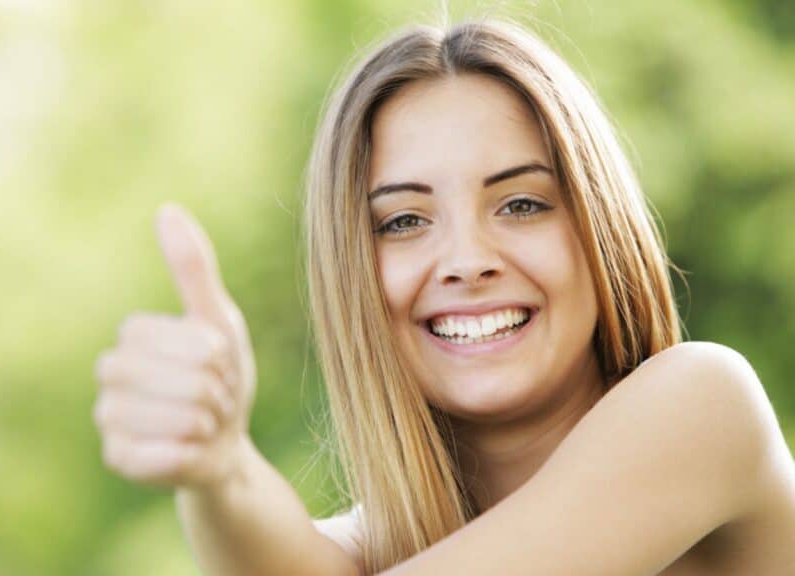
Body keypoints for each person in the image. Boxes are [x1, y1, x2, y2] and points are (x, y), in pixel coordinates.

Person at [92, 17, 795, 575]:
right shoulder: (382, 544)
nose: (465, 262)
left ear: (597, 230)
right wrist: (218, 471)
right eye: (403, 221)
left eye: (521, 204)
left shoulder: (704, 407)